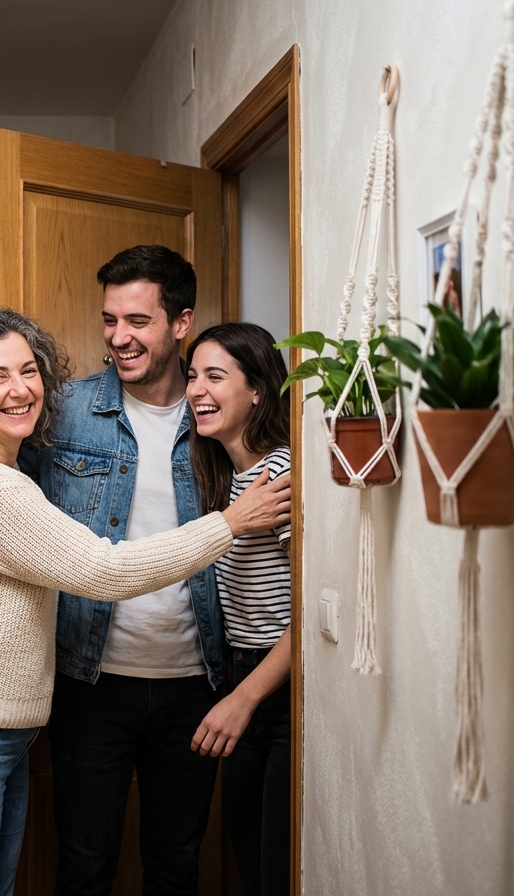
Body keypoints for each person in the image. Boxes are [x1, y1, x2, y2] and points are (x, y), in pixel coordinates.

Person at [0, 246, 290, 895]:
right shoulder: (62, 410)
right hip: (90, 681)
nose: (119, 336)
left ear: (181, 323)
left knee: (176, 864)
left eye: (138, 321)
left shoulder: (215, 411)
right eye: (110, 320)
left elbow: (273, 462)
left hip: (198, 680)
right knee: (83, 865)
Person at [185, 323, 292, 896]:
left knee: (275, 870)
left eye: (215, 376)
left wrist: (244, 699)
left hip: (280, 689)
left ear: (256, 390)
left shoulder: (281, 474)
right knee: (250, 866)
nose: (197, 390)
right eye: (192, 376)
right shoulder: (224, 478)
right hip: (240, 676)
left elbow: (313, 611)